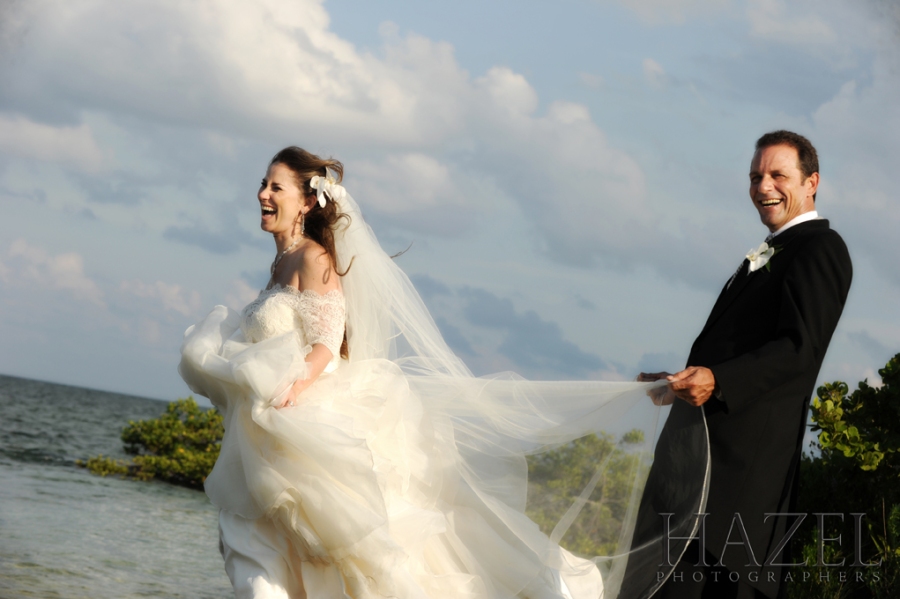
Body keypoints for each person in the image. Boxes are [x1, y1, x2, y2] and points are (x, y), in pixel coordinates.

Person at [178, 147, 709, 599]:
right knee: (265, 549)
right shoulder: (279, 265)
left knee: (348, 548)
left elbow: (323, 344)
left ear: (306, 199)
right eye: (262, 185)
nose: (263, 195)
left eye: (275, 187)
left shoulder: (315, 258)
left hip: (308, 414)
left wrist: (293, 389)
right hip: (269, 431)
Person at [627, 131, 853, 599]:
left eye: (777, 175)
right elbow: (738, 348)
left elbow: (799, 348)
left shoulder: (819, 247)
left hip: (740, 484)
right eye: (755, 176)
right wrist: (680, 381)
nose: (763, 186)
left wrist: (719, 379)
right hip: (696, 468)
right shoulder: (772, 250)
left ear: (811, 182)